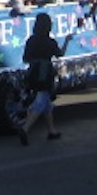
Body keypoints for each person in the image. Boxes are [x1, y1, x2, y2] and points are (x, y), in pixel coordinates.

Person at [18, 13, 71, 146]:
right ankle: (25, 128)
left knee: (46, 102)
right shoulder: (50, 42)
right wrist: (67, 40)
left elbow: (25, 58)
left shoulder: (31, 40)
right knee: (42, 100)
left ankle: (51, 130)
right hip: (45, 72)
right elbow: (60, 54)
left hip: (33, 71)